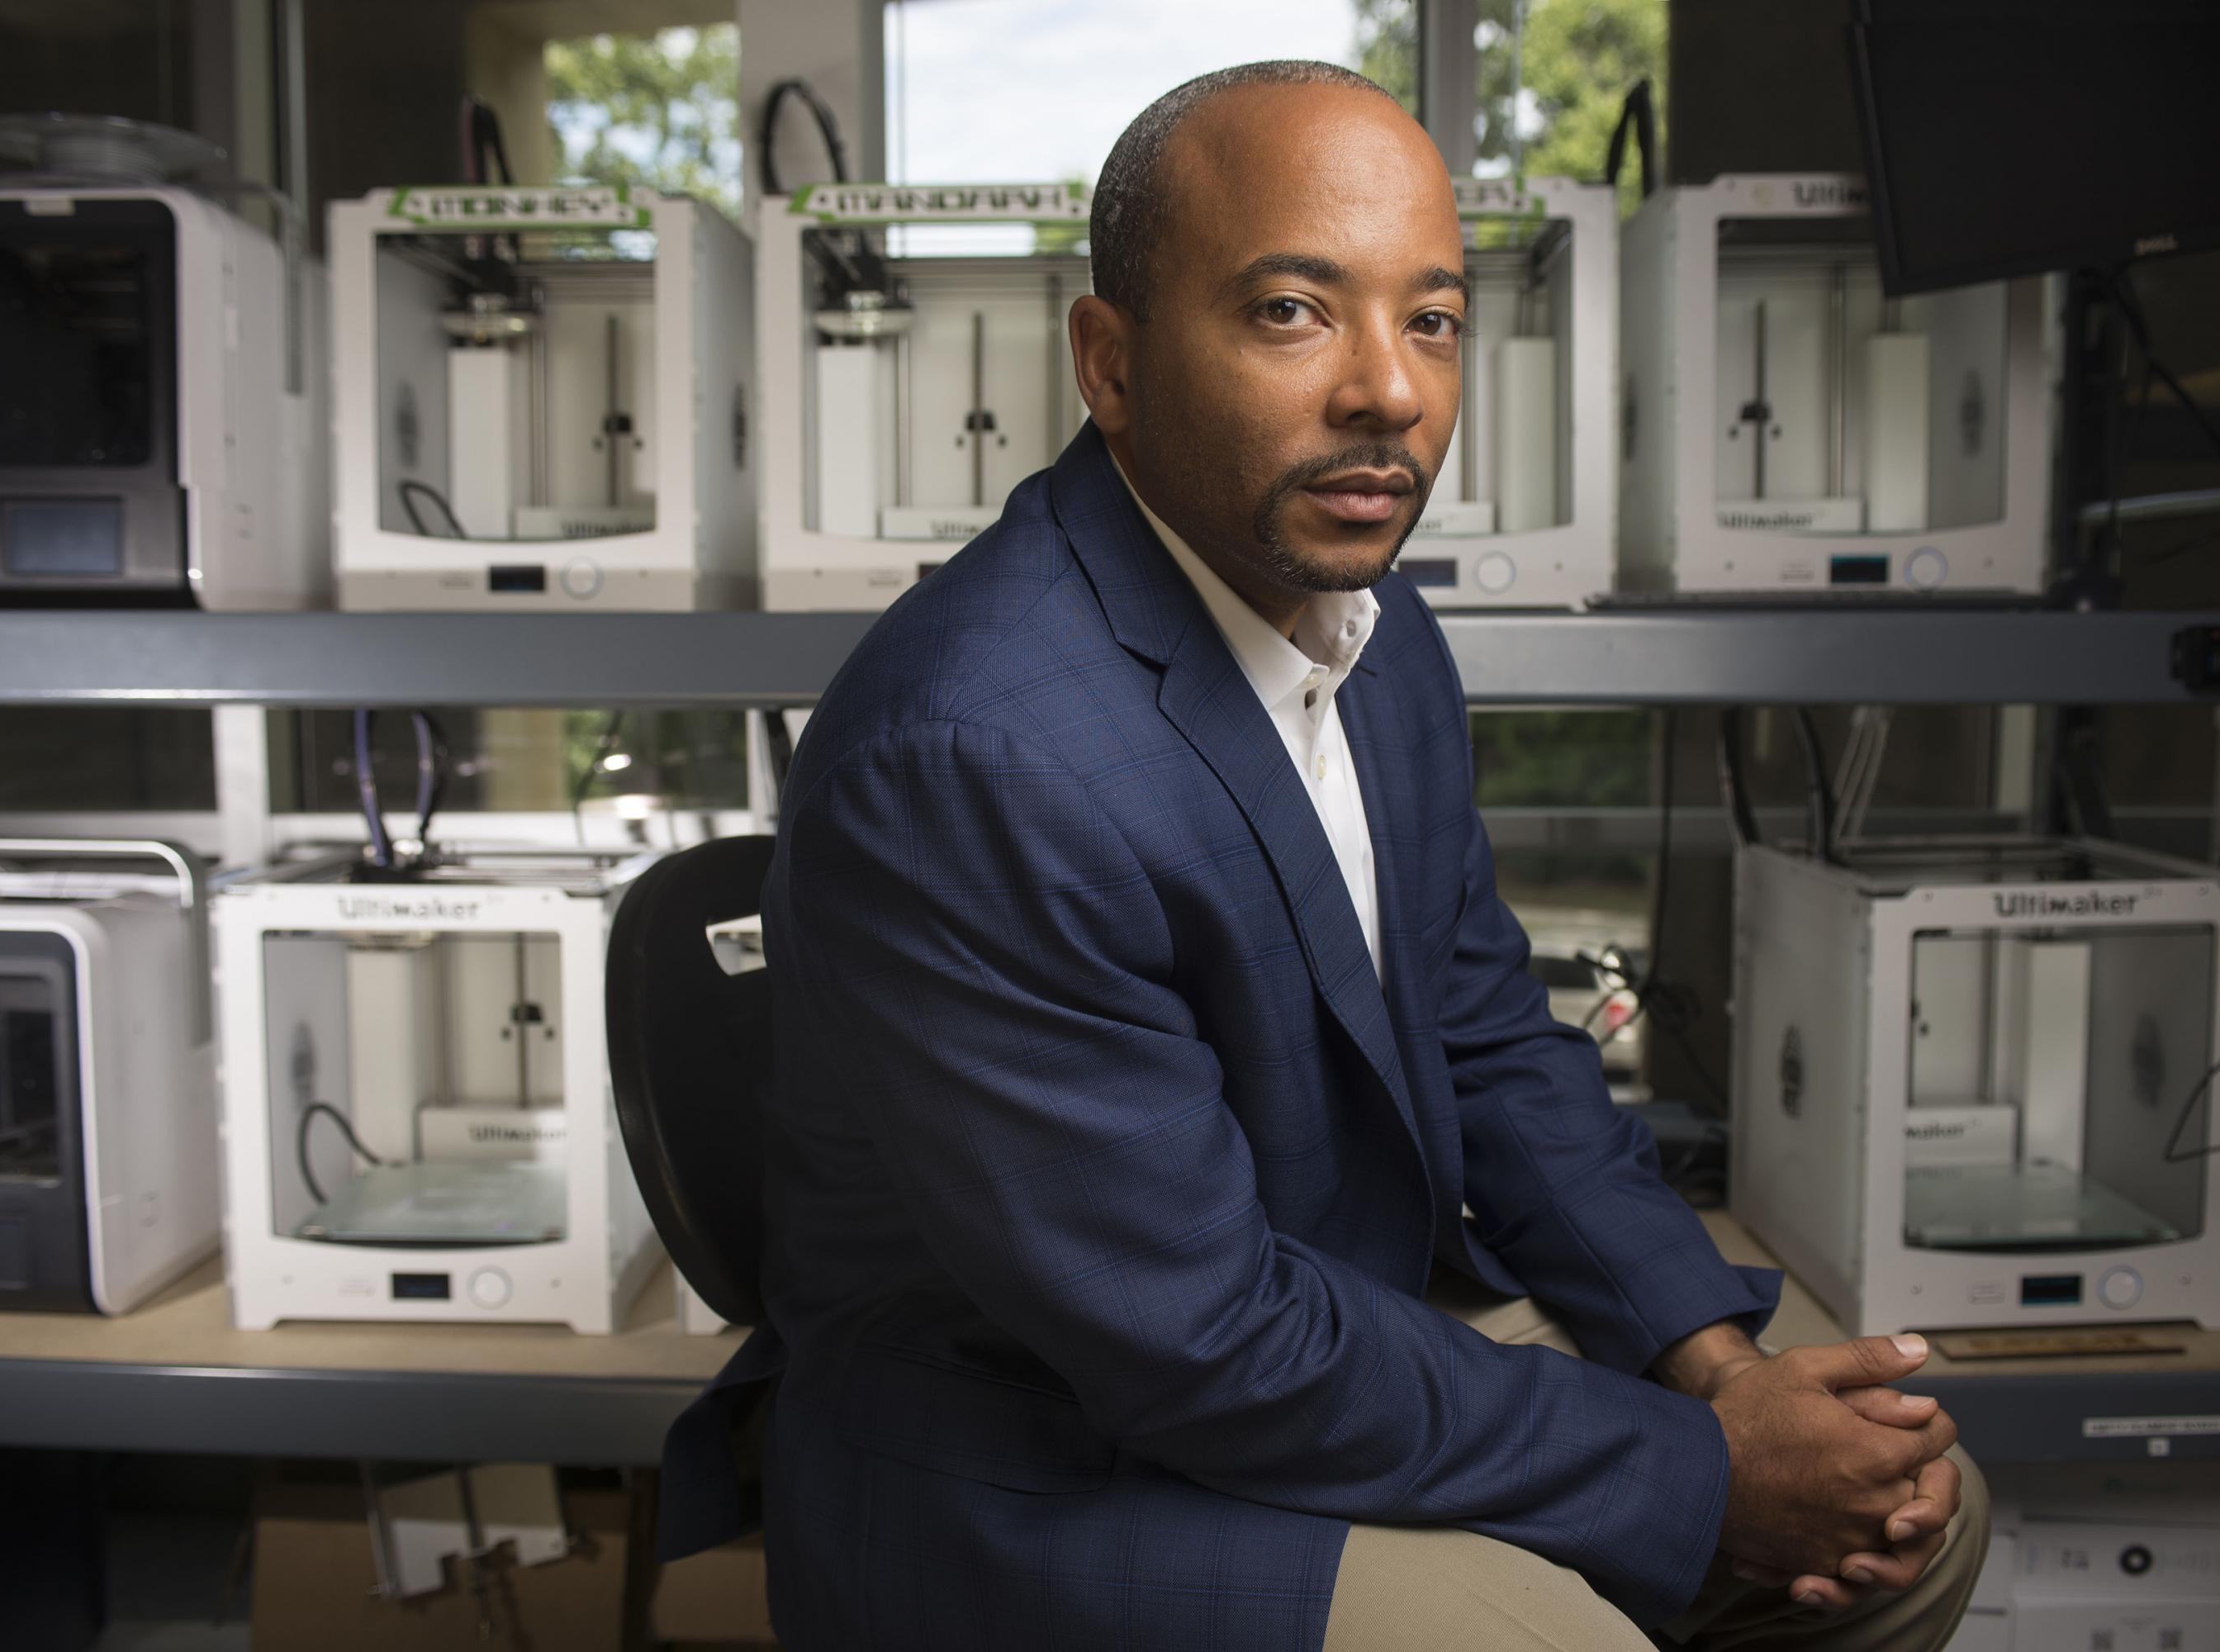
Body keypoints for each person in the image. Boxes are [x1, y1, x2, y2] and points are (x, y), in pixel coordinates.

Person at [662, 60, 1988, 1651]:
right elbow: (1195, 1337)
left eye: (1432, 319)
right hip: (1047, 1455)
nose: (1392, 391)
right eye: (1295, 310)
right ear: (1113, 362)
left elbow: (1489, 1039)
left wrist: (1722, 1370)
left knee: (1918, 1504)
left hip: (1332, 1319)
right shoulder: (977, 756)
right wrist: (1699, 1470)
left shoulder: (1375, 631)